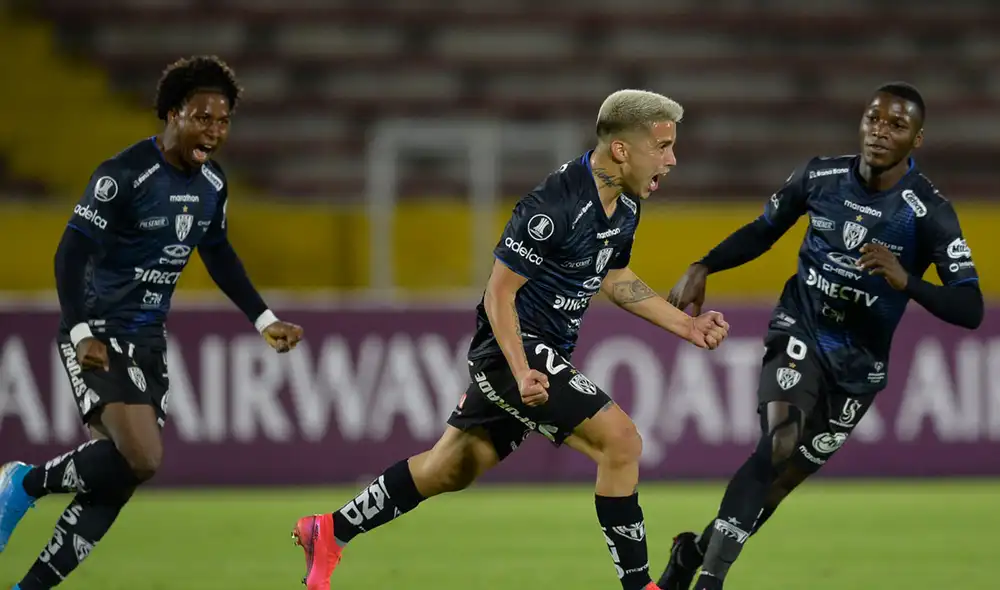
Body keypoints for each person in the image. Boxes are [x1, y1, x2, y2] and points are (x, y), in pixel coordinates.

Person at [291, 89, 731, 590]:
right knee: (622, 442)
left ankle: (328, 531)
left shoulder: (627, 204)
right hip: (513, 352)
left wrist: (685, 326)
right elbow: (498, 294)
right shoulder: (553, 205)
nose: (672, 159)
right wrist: (521, 369)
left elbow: (613, 276)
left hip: (541, 357)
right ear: (622, 150)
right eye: (664, 146)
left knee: (450, 468)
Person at [656, 82, 984, 590]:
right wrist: (706, 265)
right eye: (873, 118)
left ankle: (692, 554)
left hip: (859, 368)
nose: (880, 131)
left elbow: (971, 308)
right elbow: (765, 229)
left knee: (779, 483)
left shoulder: (928, 212)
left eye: (896, 125)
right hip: (802, 328)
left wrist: (908, 281)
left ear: (917, 139)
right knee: (780, 439)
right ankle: (710, 582)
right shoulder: (820, 176)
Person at [0, 55, 303, 590]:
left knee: (118, 475)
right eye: (202, 117)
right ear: (171, 114)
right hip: (98, 329)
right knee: (143, 457)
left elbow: (218, 251)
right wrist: (80, 330)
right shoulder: (124, 176)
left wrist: (264, 318)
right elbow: (69, 254)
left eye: (224, 120)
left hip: (148, 340)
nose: (215, 130)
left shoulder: (213, 183)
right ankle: (24, 482)